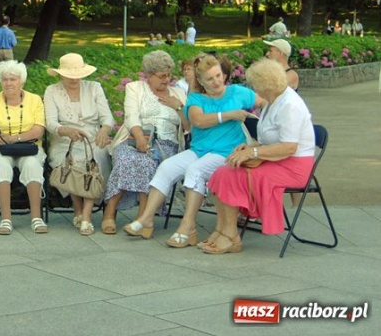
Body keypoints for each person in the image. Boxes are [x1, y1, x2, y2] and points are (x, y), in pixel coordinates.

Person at [123, 54, 260, 247]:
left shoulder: (238, 92)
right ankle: (146, 217)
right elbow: (198, 121)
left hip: (227, 152)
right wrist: (229, 115)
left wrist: (265, 130)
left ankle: (188, 227)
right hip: (200, 150)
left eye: (219, 76)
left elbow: (266, 102)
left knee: (195, 170)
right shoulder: (196, 98)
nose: (216, 81)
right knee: (167, 166)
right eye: (210, 79)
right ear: (202, 82)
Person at [202, 59, 315, 254]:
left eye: (256, 85)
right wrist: (250, 146)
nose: (254, 89)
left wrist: (254, 152)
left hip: (293, 166)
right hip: (276, 159)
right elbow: (270, 139)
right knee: (222, 172)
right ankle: (221, 231)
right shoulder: (273, 100)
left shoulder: (290, 105)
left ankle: (231, 236)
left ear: (266, 85)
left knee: (233, 176)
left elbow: (289, 147)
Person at [103, 51, 188, 235]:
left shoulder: (179, 93)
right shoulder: (135, 88)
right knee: (126, 159)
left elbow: (189, 127)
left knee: (148, 162)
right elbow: (131, 115)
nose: (166, 80)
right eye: (161, 76)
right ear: (149, 76)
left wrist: (179, 107)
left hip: (167, 145)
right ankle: (110, 212)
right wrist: (140, 138)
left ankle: (142, 217)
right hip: (133, 139)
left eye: (169, 75)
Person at [44, 53, 112, 236]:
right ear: (60, 74)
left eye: (78, 75)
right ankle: (77, 208)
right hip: (65, 139)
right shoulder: (51, 90)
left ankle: (86, 216)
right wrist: (67, 131)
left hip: (93, 138)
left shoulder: (94, 87)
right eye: (69, 75)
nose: (74, 79)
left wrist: (104, 131)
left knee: (94, 161)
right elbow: (50, 123)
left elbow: (107, 118)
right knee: (71, 162)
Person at [0, 60, 48, 235]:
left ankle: (36, 217)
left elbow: (38, 129)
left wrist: (16, 139)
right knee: (1, 164)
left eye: (13, 79)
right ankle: (6, 219)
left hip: (29, 146)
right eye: (5, 79)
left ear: (21, 81)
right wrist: (3, 142)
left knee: (32, 164)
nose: (9, 83)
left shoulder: (34, 100)